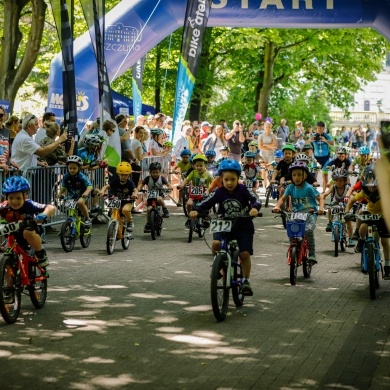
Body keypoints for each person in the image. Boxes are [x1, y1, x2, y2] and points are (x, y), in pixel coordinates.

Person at [190, 159, 261, 296]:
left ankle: (245, 280)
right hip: (224, 223)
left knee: (244, 254)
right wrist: (196, 210)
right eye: (226, 179)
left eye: (232, 179)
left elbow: (255, 199)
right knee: (216, 244)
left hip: (243, 224)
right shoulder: (219, 192)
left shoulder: (243, 190)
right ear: (221, 179)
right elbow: (206, 202)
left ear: (238, 179)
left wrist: (255, 208)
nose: (229, 183)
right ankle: (217, 266)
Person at [273, 161, 325, 264]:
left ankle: (312, 254)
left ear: (305, 176)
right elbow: (282, 199)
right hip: (296, 213)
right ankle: (293, 246)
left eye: (299, 175)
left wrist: (321, 209)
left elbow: (321, 198)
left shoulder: (309, 188)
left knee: (308, 231)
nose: (296, 177)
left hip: (310, 213)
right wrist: (277, 206)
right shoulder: (290, 187)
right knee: (291, 230)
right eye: (294, 175)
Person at [0, 176, 56, 267]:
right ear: (6, 197)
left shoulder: (29, 204)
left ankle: (40, 254)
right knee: (7, 266)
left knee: (27, 231)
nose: (14, 201)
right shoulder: (3, 207)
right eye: (11, 198)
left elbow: (51, 207)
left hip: (31, 231)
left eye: (18, 198)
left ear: (25, 196)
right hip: (13, 234)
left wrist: (44, 214)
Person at [344, 166, 390, 278]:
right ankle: (361, 240)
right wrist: (346, 212)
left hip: (383, 215)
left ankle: (388, 266)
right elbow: (352, 200)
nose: (372, 188)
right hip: (370, 213)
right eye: (369, 185)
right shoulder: (364, 192)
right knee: (363, 228)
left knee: (385, 241)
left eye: (374, 185)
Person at [57, 156, 99, 230]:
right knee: (69, 207)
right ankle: (70, 223)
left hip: (83, 194)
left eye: (74, 168)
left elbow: (89, 186)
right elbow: (64, 187)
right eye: (70, 168)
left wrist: (86, 193)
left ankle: (87, 218)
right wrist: (60, 193)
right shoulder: (66, 176)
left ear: (79, 168)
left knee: (80, 203)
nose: (72, 170)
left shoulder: (82, 176)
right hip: (72, 195)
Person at [99, 162, 138, 232]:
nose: (124, 176)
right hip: (117, 201)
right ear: (118, 174)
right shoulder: (116, 181)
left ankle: (130, 222)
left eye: (126, 175)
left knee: (125, 210)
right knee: (113, 211)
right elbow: (107, 186)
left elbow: (135, 190)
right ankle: (114, 226)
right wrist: (102, 191)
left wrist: (134, 194)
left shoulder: (130, 183)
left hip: (127, 201)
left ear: (129, 175)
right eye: (122, 174)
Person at [321, 168, 354, 247]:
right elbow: (326, 193)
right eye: (337, 180)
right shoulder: (334, 187)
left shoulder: (347, 187)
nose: (338, 182)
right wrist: (322, 196)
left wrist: (358, 198)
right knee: (329, 207)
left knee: (348, 222)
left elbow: (354, 193)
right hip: (335, 204)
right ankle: (329, 222)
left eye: (341, 180)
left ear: (345, 180)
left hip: (345, 206)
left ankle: (350, 238)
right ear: (334, 180)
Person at [138, 161, 172, 233]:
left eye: (157, 172)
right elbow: (142, 184)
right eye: (153, 172)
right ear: (150, 172)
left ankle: (165, 210)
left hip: (159, 194)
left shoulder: (162, 178)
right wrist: (138, 188)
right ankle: (148, 223)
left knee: (159, 199)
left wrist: (170, 187)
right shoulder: (148, 178)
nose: (155, 174)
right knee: (148, 209)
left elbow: (168, 184)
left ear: (160, 172)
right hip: (151, 196)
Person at [310, 121, 334, 190]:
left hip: (325, 158)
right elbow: (306, 143)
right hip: (316, 158)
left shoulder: (327, 136)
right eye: (318, 128)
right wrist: (310, 140)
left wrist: (325, 140)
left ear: (324, 128)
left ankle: (324, 192)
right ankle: (313, 191)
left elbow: (332, 143)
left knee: (325, 176)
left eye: (321, 128)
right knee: (314, 176)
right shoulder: (313, 135)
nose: (319, 129)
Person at [258, 121, 277, 188]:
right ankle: (264, 185)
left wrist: (265, 145)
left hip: (271, 154)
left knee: (270, 169)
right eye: (266, 127)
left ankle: (269, 185)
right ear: (264, 127)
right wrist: (270, 145)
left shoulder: (273, 136)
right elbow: (260, 146)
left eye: (269, 127)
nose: (268, 128)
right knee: (263, 169)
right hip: (263, 154)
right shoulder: (261, 136)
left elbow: (275, 145)